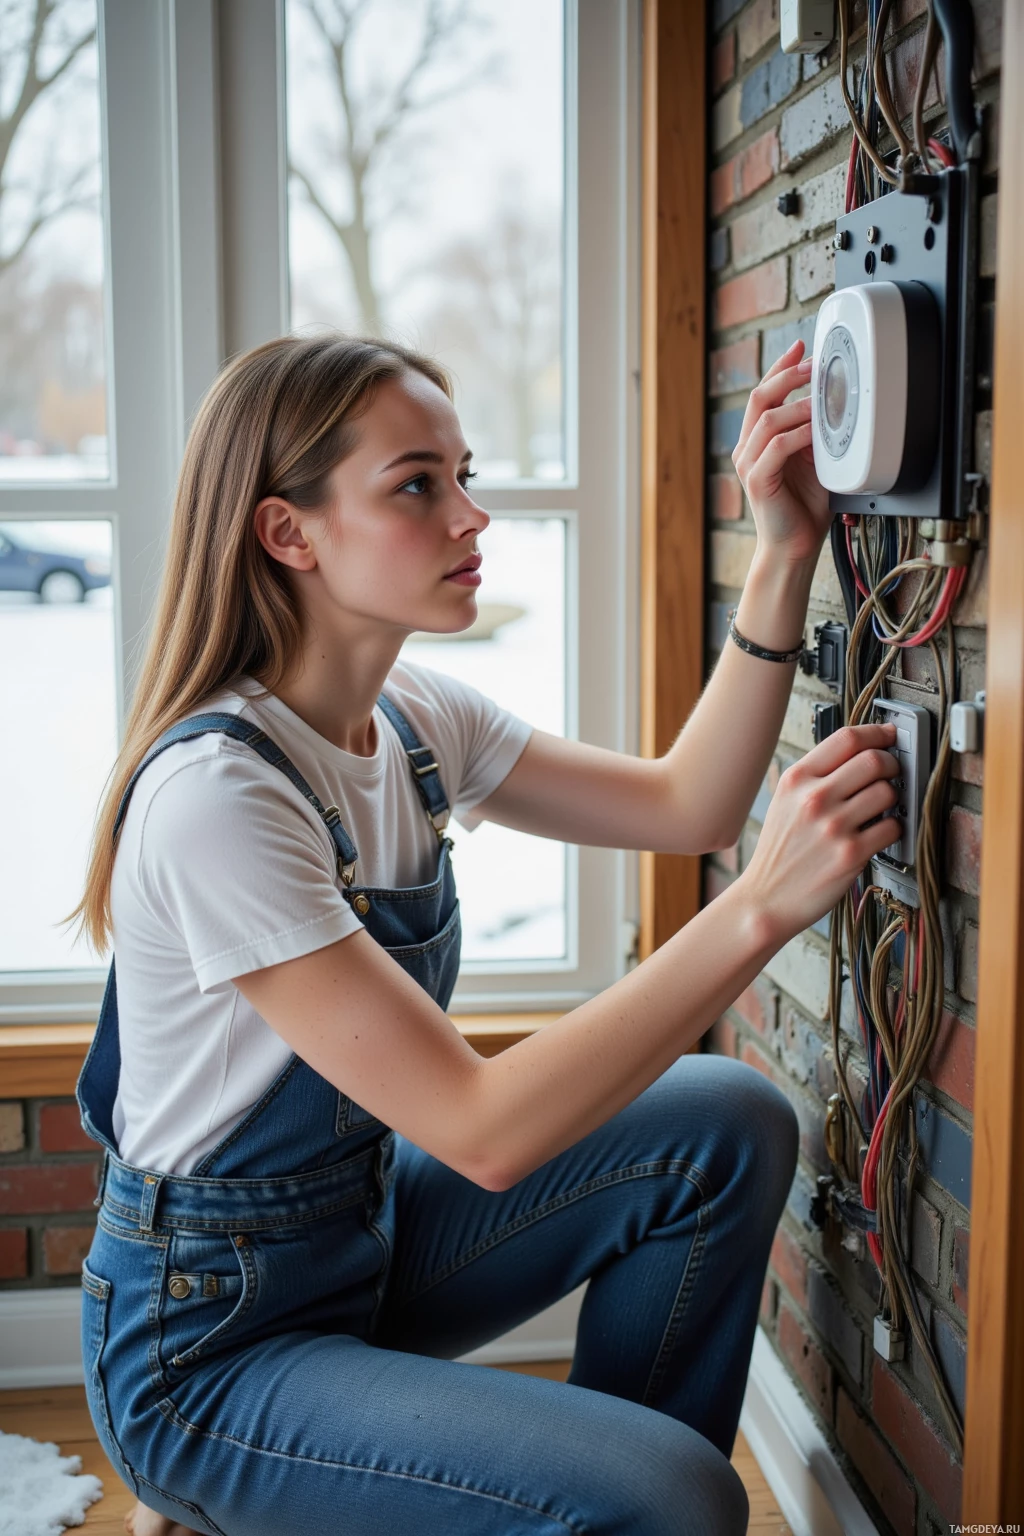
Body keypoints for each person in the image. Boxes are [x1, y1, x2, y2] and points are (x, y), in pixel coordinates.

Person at [69, 332, 900, 1536]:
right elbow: (482, 1131)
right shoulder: (219, 796)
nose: (472, 515)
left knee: (721, 1125)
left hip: (359, 1239)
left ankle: (573, 1497)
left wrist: (782, 549)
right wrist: (761, 906)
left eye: (464, 474)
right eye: (418, 484)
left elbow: (689, 805)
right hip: (208, 1344)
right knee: (681, 1500)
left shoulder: (408, 719)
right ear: (287, 533)